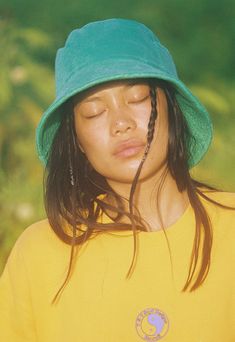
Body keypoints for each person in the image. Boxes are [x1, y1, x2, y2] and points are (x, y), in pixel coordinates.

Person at [0, 18, 234, 342]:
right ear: (76, 141)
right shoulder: (38, 254)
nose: (121, 123)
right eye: (94, 112)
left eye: (138, 97)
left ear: (173, 109)